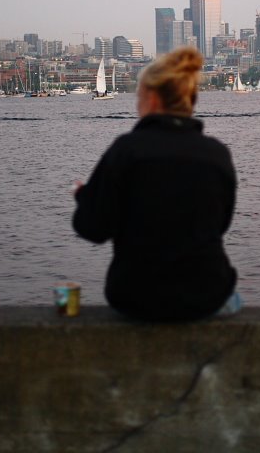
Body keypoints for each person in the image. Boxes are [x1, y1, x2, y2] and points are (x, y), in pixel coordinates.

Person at [72, 46, 239, 321]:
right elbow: (220, 225)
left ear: (151, 99)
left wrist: (85, 199)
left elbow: (93, 229)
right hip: (206, 295)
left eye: (138, 97)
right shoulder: (216, 154)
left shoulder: (126, 151)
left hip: (136, 297)